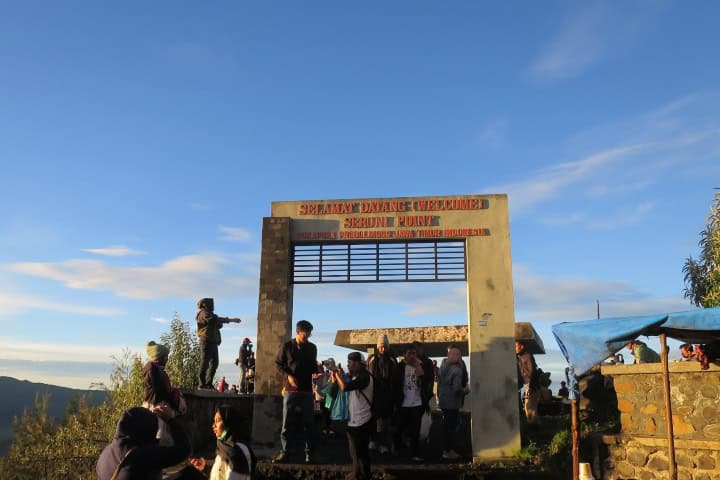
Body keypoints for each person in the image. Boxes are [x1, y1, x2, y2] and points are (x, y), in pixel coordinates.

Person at [97, 405, 191, 480]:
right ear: (147, 431)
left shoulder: (105, 454)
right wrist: (170, 420)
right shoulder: (141, 457)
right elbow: (184, 450)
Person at [273, 320, 318, 464]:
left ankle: (309, 453)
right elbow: (278, 364)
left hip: (306, 390)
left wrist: (317, 373)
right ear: (299, 332)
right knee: (287, 423)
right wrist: (288, 376)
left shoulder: (312, 348)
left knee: (309, 423)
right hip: (290, 390)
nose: (309, 335)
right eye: (306, 332)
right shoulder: (287, 347)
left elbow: (313, 367)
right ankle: (285, 452)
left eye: (310, 332)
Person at [331, 352, 374, 480]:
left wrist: (337, 373)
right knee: (354, 452)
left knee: (362, 453)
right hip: (353, 420)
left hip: (363, 421)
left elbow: (344, 387)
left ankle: (365, 475)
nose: (348, 366)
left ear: (358, 364)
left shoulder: (365, 377)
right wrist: (339, 375)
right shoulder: (356, 377)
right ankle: (356, 473)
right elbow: (340, 387)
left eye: (350, 363)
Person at [189, 404, 256, 480]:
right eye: (214, 421)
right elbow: (222, 474)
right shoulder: (225, 448)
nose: (213, 425)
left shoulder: (237, 452)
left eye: (218, 421)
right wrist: (205, 469)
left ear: (229, 423)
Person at [143, 341, 186, 444]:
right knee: (159, 439)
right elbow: (162, 391)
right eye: (166, 356)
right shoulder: (152, 369)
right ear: (160, 357)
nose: (167, 358)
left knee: (160, 439)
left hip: (157, 406)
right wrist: (174, 396)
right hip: (156, 408)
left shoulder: (156, 369)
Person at [196, 298, 242, 389]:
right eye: (211, 304)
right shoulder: (203, 313)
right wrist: (231, 320)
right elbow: (213, 320)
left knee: (215, 363)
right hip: (206, 341)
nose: (213, 306)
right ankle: (202, 384)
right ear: (205, 305)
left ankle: (208, 383)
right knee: (204, 362)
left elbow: (217, 324)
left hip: (213, 342)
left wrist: (220, 322)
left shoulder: (210, 314)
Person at [392, 344, 427, 462]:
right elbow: (395, 384)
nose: (412, 356)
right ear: (404, 355)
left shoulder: (419, 365)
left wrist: (417, 364)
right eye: (409, 353)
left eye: (414, 353)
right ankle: (396, 447)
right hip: (403, 403)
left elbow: (424, 378)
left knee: (415, 431)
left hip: (417, 403)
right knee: (399, 428)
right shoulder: (400, 367)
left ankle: (414, 454)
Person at [367, 334, 396, 454]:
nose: (383, 349)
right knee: (373, 420)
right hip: (375, 395)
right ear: (378, 347)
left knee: (385, 421)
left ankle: (383, 443)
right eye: (381, 346)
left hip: (388, 395)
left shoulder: (392, 360)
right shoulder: (372, 359)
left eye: (385, 347)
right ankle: (374, 441)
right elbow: (369, 377)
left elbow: (395, 379)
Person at [437, 347, 465, 460]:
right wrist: (466, 391)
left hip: (443, 400)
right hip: (453, 402)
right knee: (452, 428)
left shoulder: (442, 366)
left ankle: (445, 450)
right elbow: (457, 388)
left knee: (445, 427)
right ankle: (450, 451)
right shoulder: (457, 370)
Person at [516, 341, 540, 422]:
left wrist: (530, 386)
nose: (514, 348)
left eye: (516, 346)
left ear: (521, 346)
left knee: (530, 409)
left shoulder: (527, 356)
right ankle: (532, 426)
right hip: (527, 385)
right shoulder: (519, 356)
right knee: (527, 408)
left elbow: (532, 372)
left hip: (531, 385)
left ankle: (533, 428)